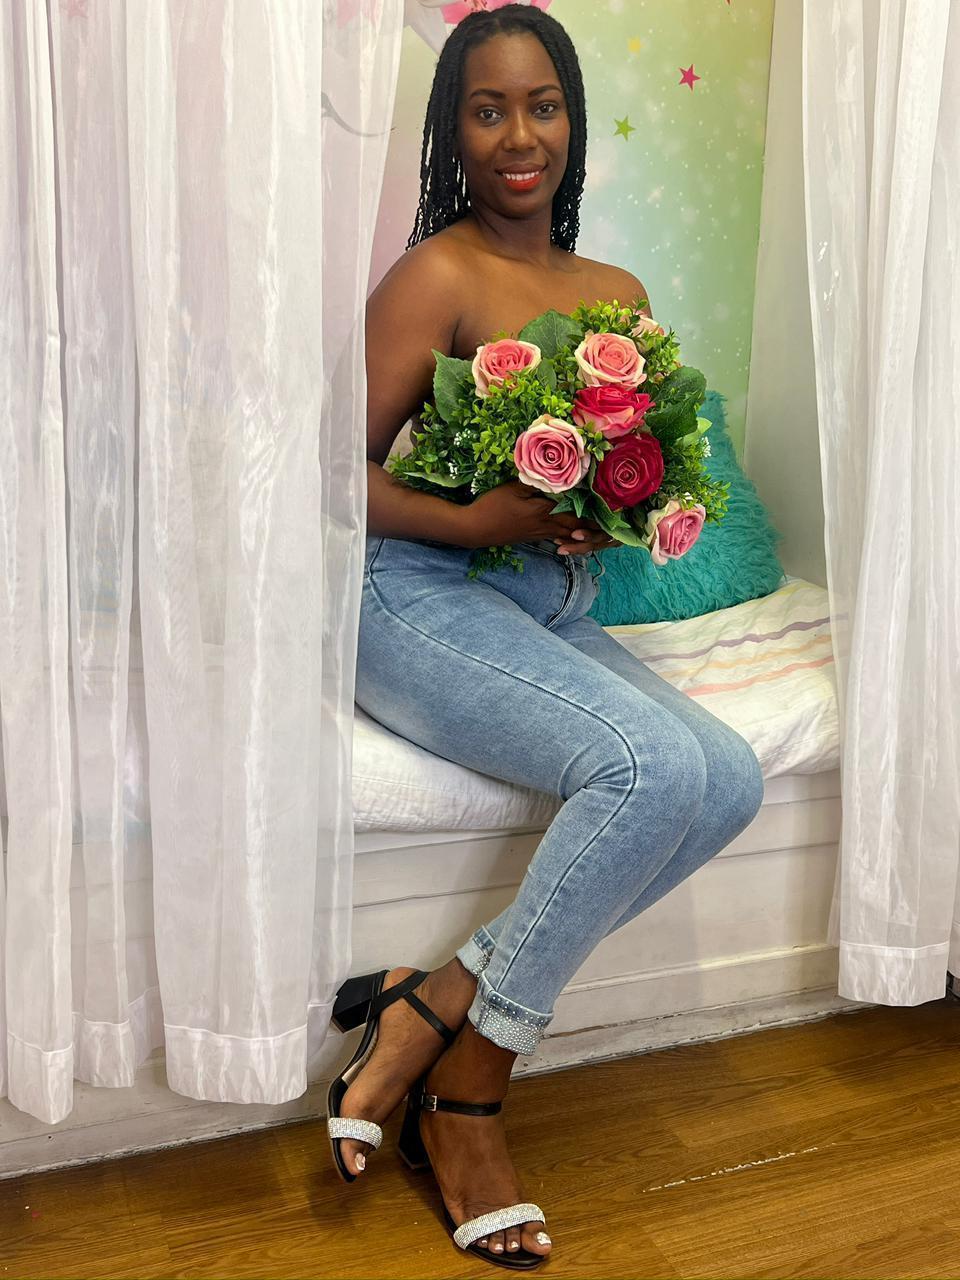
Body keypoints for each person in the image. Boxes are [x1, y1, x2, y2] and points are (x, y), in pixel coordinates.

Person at [326, 5, 764, 1268]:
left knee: (727, 774)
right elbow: (331, 475)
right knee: (649, 766)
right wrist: (480, 515)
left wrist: (615, 504)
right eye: (487, 109)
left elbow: (634, 471)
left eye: (543, 105)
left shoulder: (619, 296)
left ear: (571, 121)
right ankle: (470, 1090)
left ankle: (432, 1000)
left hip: (546, 599)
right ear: (452, 132)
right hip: (415, 592)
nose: (519, 136)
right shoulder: (436, 274)